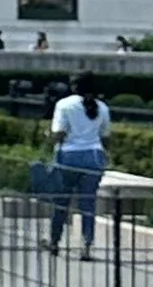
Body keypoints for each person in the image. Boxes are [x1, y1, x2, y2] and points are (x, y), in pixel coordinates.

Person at [46, 73, 113, 256]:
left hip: (68, 156)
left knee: (61, 201)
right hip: (94, 156)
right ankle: (86, 244)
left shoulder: (64, 105)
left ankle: (54, 240)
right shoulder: (102, 107)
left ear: (74, 86)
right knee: (88, 203)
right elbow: (105, 136)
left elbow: (59, 133)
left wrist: (49, 140)